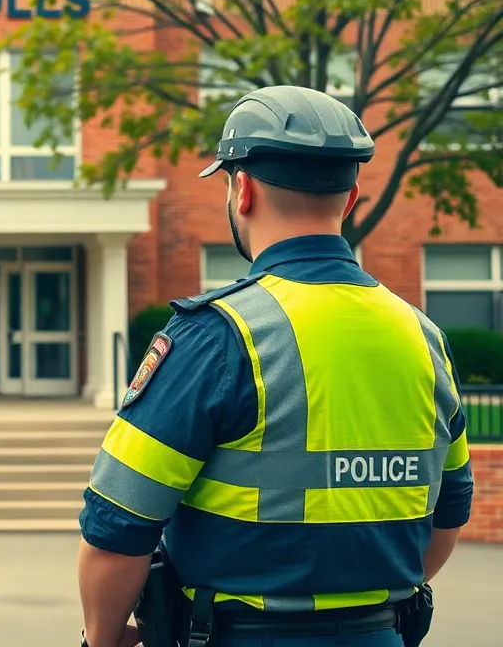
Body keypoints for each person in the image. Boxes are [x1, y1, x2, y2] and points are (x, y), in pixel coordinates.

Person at [77, 85, 475, 647]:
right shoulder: (423, 336)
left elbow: (117, 525)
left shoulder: (216, 336)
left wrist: (102, 638)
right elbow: (448, 516)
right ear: (353, 195)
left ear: (242, 190)